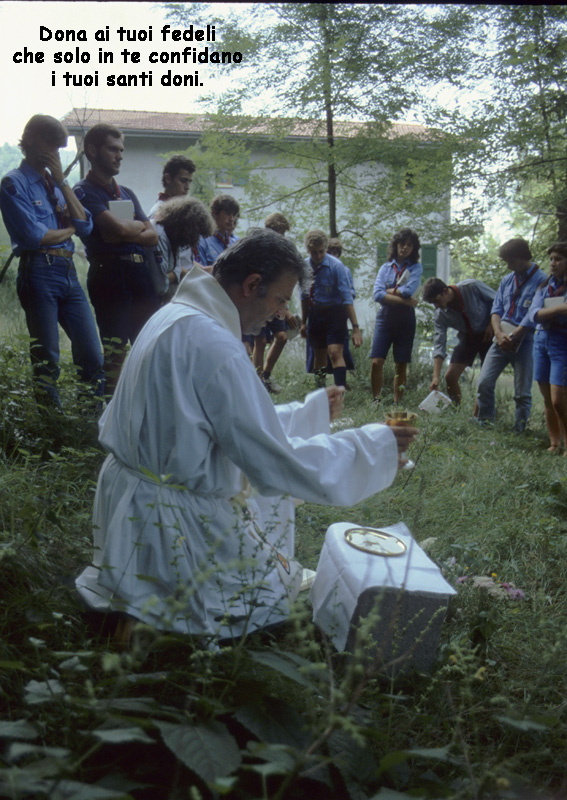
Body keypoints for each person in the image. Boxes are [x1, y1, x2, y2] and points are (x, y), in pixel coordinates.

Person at [75, 228, 416, 641]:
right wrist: (374, 445)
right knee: (259, 601)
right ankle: (153, 625)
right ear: (252, 284)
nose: (279, 314)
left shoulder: (175, 315)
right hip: (171, 518)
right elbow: (273, 461)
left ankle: (136, 610)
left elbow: (197, 423)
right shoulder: (214, 343)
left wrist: (305, 413)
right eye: (279, 300)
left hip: (136, 493)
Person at [0, 114, 103, 408]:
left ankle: (89, 421)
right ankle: (52, 430)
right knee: (47, 358)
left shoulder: (55, 184)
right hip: (38, 271)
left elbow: (86, 226)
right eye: (51, 146)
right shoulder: (13, 184)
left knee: (92, 353)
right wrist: (69, 229)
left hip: (68, 272)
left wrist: (62, 181)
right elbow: (34, 236)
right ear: (30, 140)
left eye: (59, 149)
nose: (55, 154)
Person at [74, 123, 160, 395]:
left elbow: (153, 236)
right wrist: (132, 229)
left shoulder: (127, 193)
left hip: (140, 273)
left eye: (121, 150)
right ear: (92, 150)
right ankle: (111, 414)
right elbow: (126, 228)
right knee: (115, 350)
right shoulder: (83, 191)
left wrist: (124, 233)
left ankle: (145, 408)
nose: (120, 155)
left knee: (149, 344)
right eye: (113, 149)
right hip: (109, 275)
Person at [476, 238, 547, 431]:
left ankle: (520, 428)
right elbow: (496, 309)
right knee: (484, 382)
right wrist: (498, 333)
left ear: (524, 257)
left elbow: (535, 310)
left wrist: (518, 333)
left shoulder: (542, 280)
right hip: (501, 338)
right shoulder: (507, 280)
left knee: (522, 391)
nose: (509, 266)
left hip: (525, 340)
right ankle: (485, 421)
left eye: (512, 261)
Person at [301, 229, 362, 388]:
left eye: (321, 252)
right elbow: (304, 296)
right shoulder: (304, 267)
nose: (318, 256)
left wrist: (355, 327)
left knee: (335, 352)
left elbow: (347, 297)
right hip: (316, 313)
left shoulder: (337, 266)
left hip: (335, 312)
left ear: (326, 248)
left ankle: (340, 392)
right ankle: (320, 393)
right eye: (314, 252)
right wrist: (303, 322)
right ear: (308, 250)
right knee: (319, 355)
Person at [422, 277, 495, 406]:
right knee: (450, 376)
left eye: (437, 301)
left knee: (485, 380)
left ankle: (479, 416)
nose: (436, 306)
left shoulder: (471, 287)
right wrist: (435, 376)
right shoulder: (440, 314)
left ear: (445, 291)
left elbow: (498, 301)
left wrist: (491, 324)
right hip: (468, 338)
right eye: (433, 303)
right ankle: (457, 410)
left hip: (489, 334)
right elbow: (439, 343)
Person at [370, 228, 423, 403]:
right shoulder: (385, 268)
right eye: (402, 244)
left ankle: (396, 402)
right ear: (395, 245)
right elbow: (377, 295)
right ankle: (376, 400)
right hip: (385, 318)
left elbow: (408, 291)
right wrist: (404, 300)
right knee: (376, 361)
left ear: (413, 248)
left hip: (405, 320)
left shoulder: (416, 267)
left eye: (409, 245)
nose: (405, 248)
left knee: (400, 364)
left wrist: (389, 292)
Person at [527, 242, 567, 453]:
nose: (553, 263)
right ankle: (554, 443)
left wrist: (546, 311)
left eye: (558, 259)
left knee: (559, 399)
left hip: (562, 342)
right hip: (541, 340)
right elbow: (534, 314)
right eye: (551, 259)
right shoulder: (544, 286)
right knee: (546, 398)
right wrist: (559, 309)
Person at [253, 211, 298, 393]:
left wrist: (286, 308)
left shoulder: (284, 250)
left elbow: (286, 280)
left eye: (283, 233)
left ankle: (266, 374)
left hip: (277, 302)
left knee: (282, 337)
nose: (281, 236)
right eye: (278, 232)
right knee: (261, 340)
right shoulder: (258, 247)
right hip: (260, 300)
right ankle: (257, 382)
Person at [152, 196, 213, 302]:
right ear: (186, 226)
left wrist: (175, 272)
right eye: (196, 234)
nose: (196, 240)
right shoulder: (159, 236)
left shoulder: (173, 237)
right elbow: (160, 286)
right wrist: (176, 272)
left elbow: (176, 267)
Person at [148, 155, 199, 274]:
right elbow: (164, 260)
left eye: (189, 182)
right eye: (183, 181)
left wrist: (202, 270)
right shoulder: (159, 213)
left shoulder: (181, 212)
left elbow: (183, 256)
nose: (187, 187)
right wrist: (192, 278)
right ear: (168, 178)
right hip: (174, 284)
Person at [196, 194, 240, 267]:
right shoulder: (202, 242)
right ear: (214, 213)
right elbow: (200, 273)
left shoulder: (235, 243)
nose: (232, 219)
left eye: (233, 214)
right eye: (227, 214)